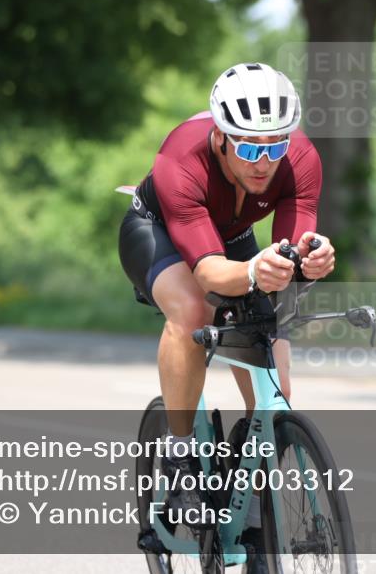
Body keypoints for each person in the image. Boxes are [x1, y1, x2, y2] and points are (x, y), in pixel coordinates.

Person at [118, 62, 334, 571]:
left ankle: (256, 480)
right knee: (193, 310)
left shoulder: (300, 158)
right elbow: (212, 272)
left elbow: (294, 248)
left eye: (275, 146)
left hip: (232, 235)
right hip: (161, 233)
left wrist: (313, 259)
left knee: (268, 339)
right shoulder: (181, 157)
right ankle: (177, 450)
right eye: (250, 148)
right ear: (220, 137)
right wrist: (256, 270)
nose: (265, 162)